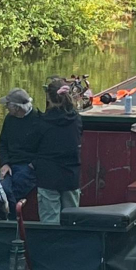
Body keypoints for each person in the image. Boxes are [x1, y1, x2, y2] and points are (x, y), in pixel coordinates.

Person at [34, 77, 83, 223]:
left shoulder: (42, 122)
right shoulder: (76, 120)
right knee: (71, 221)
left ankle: (51, 245)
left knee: (50, 221)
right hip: (71, 174)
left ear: (48, 97)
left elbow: (34, 145)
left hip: (48, 175)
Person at [0, 88, 41, 219]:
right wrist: (4, 163)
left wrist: (33, 165)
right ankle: (10, 220)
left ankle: (10, 221)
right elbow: (2, 144)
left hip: (28, 167)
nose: (6, 108)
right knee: (1, 189)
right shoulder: (9, 120)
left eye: (7, 105)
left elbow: (45, 150)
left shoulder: (38, 120)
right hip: (10, 166)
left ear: (16, 108)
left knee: (14, 189)